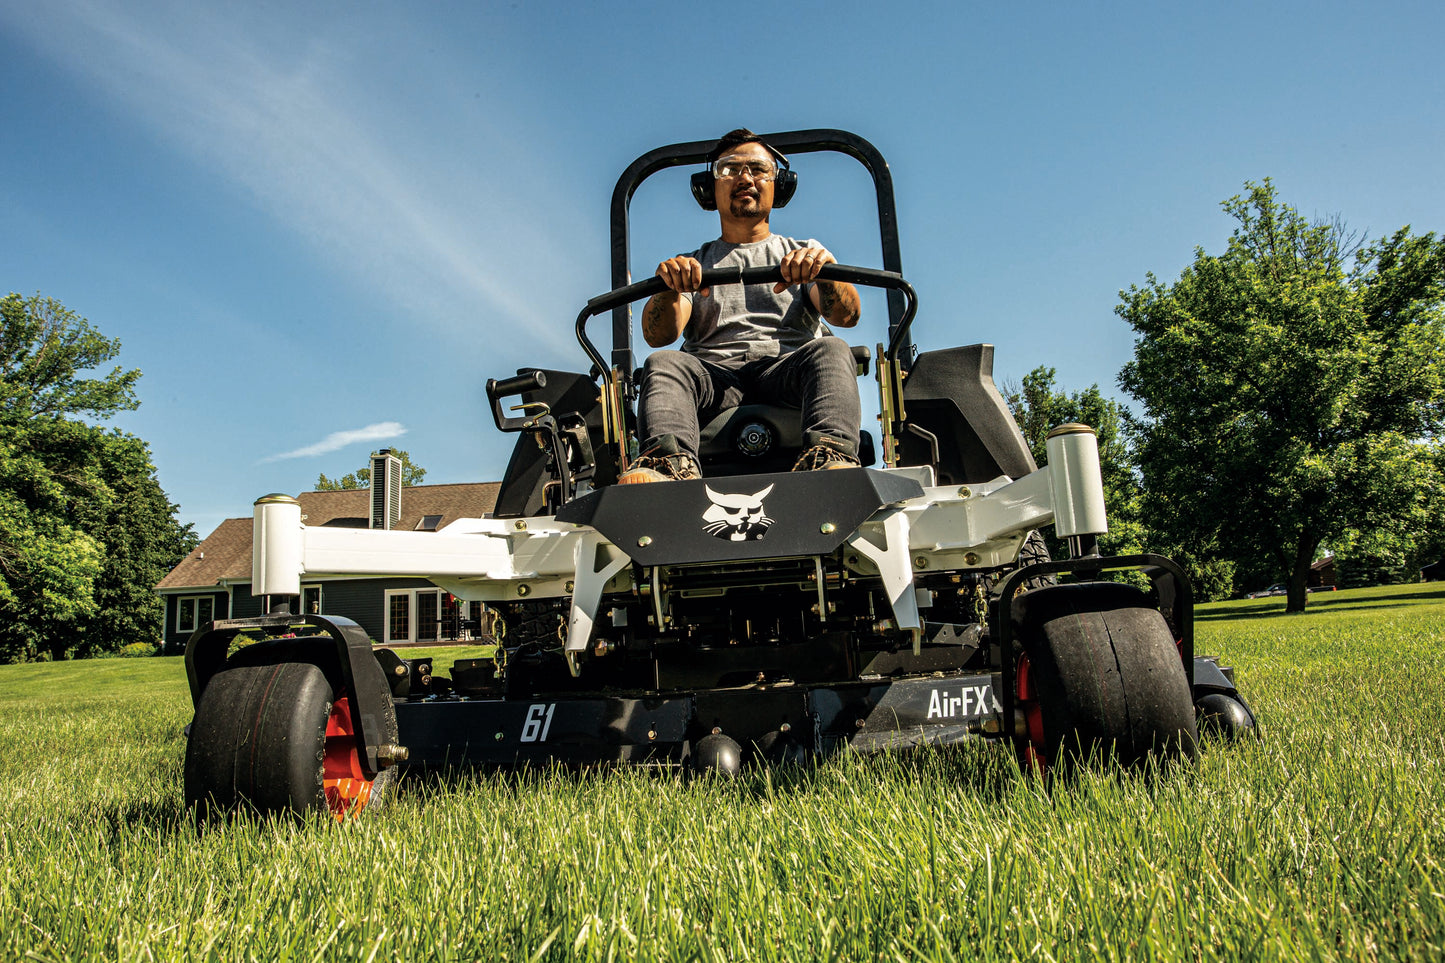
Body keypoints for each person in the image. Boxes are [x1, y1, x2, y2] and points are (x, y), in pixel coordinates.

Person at [618, 128, 864, 485]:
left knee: (831, 349)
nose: (745, 178)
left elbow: (847, 316)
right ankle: (666, 466)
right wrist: (668, 290)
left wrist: (823, 274)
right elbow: (659, 336)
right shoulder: (693, 264)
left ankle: (831, 455)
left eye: (758, 168)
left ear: (779, 183)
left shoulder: (803, 251)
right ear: (709, 187)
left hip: (787, 371)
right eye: (729, 169)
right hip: (715, 380)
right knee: (664, 362)